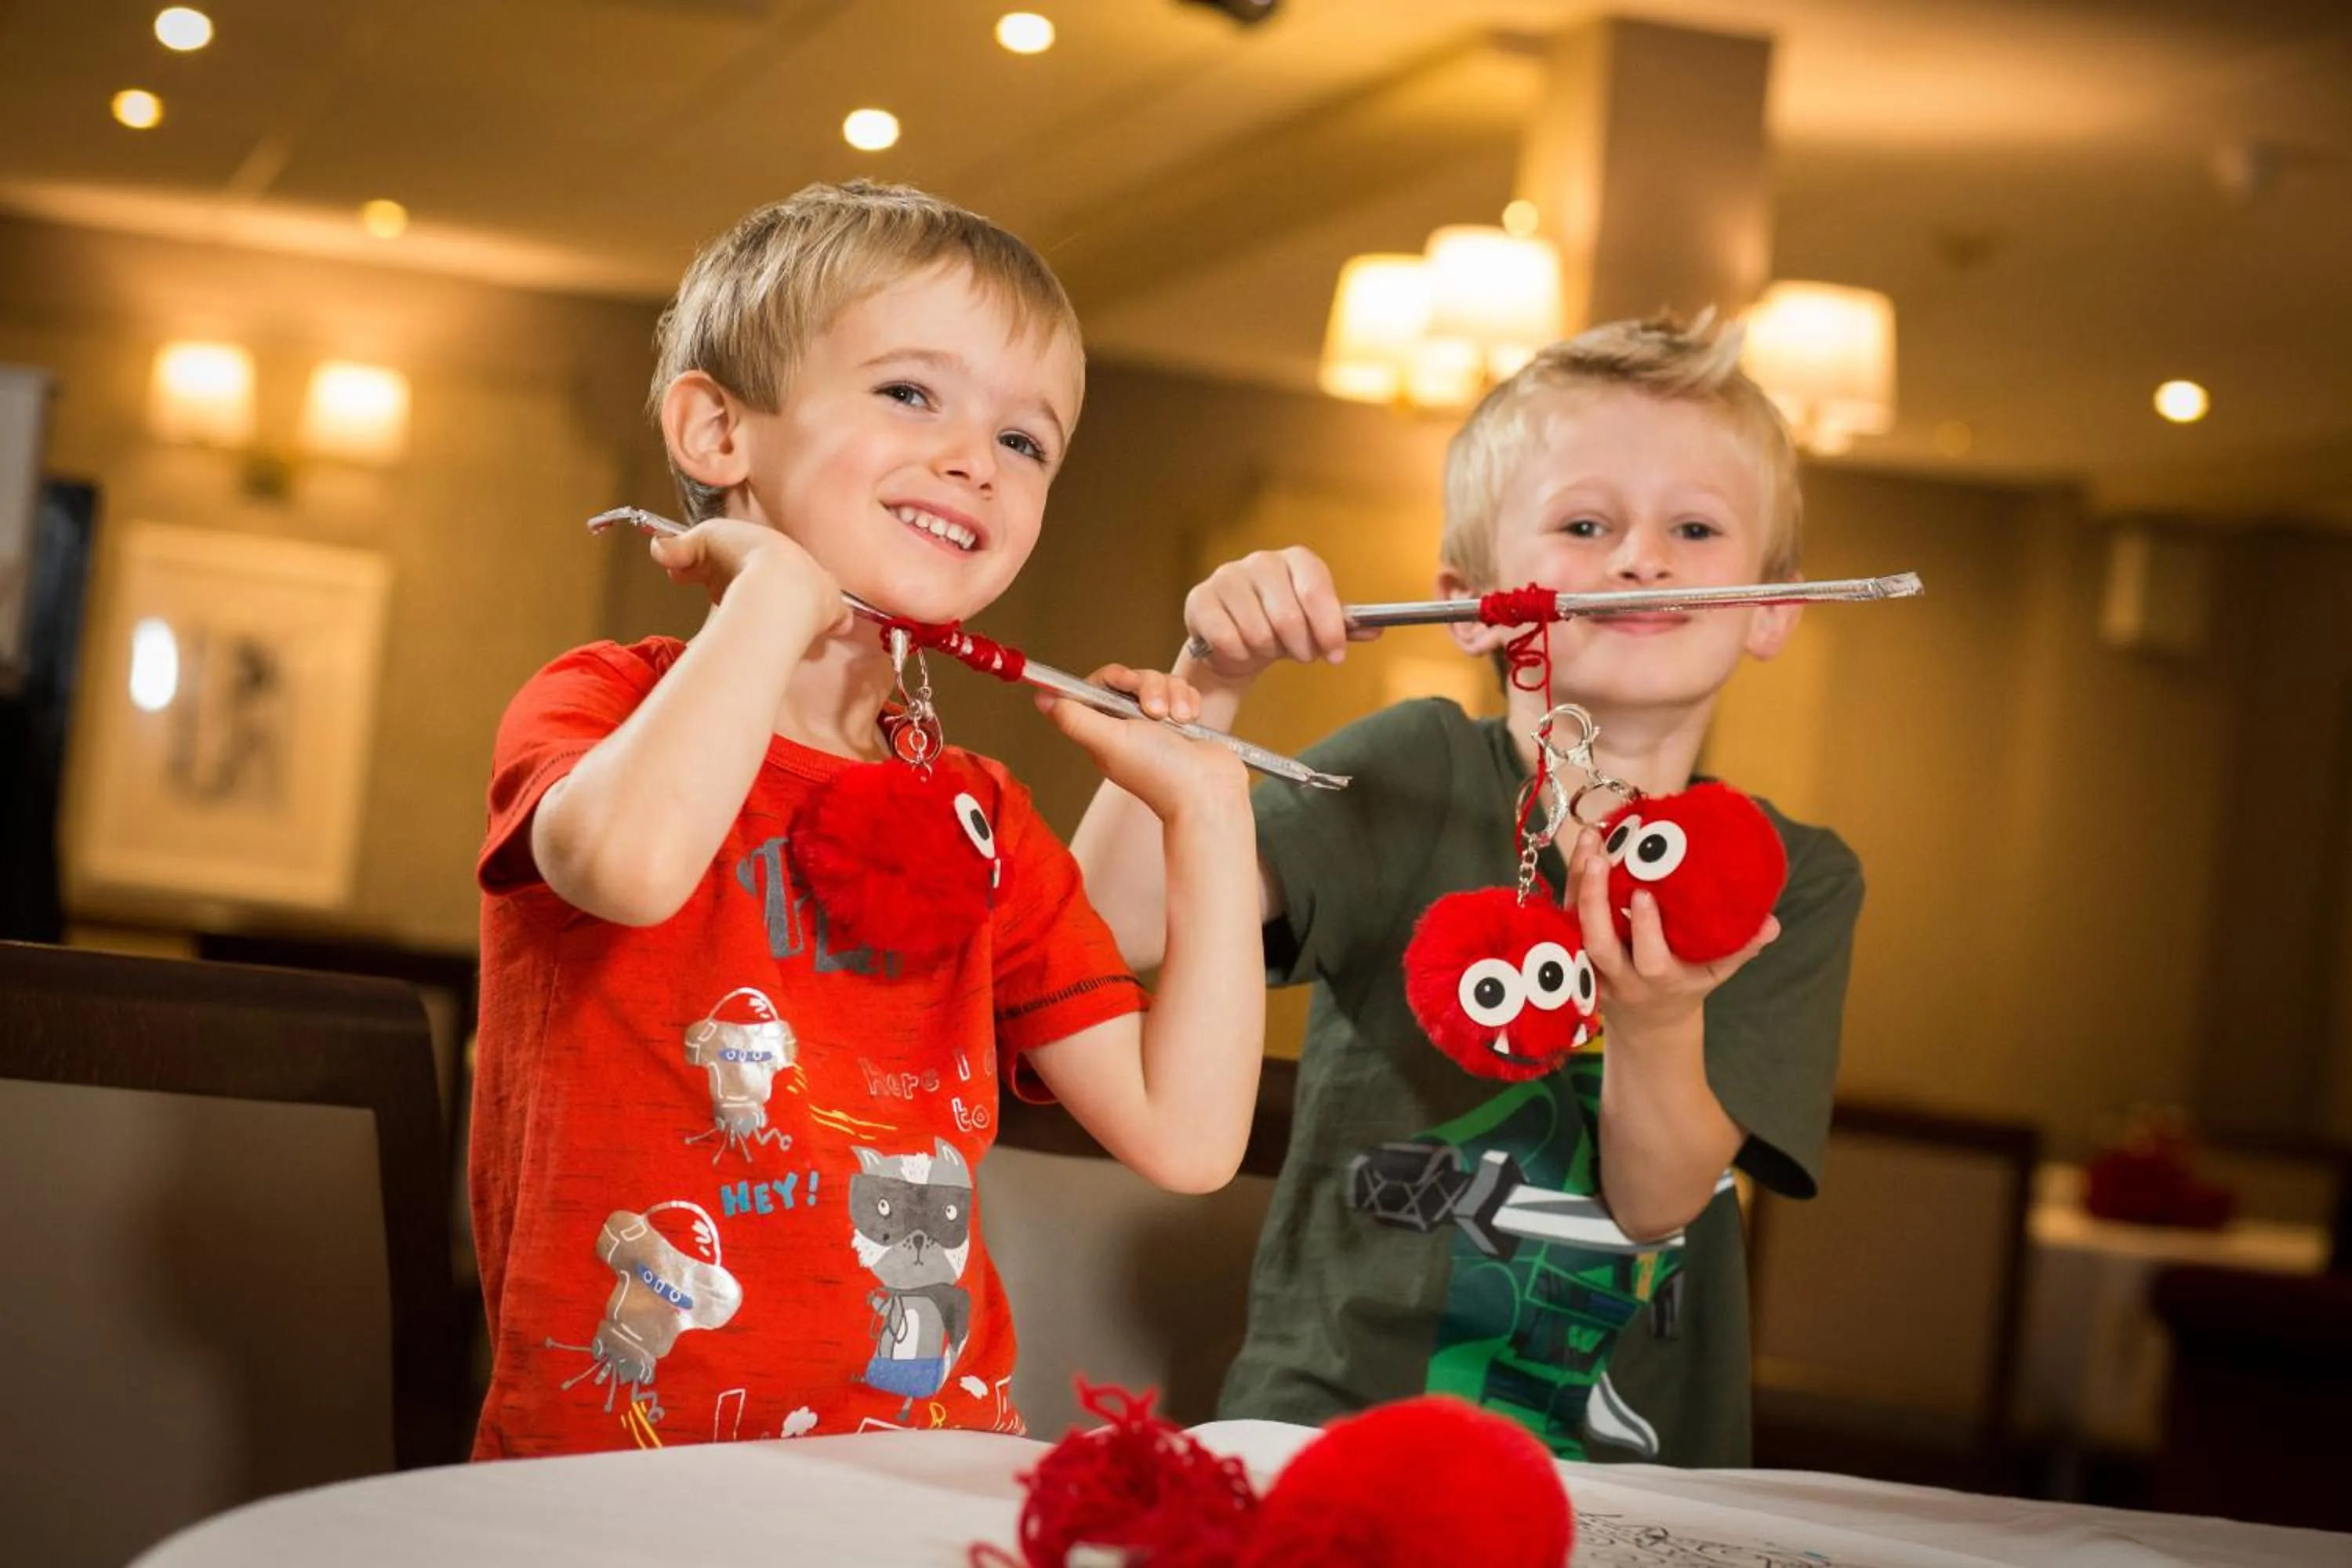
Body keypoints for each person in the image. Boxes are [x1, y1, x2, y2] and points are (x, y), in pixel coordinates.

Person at [468, 180, 1262, 1459]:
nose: (973, 459)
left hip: (922, 1466)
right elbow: (627, 867)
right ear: (719, 431)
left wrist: (1210, 808)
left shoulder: (981, 815)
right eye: (911, 394)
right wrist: (774, 596)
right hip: (615, 1468)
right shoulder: (602, 703)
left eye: (1027, 441)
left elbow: (1190, 1138)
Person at [1070, 315, 1865, 1465]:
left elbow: (1654, 1202)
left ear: (1778, 606)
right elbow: (1108, 927)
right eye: (1585, 525)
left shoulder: (1800, 877)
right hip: (1333, 1428)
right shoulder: (1416, 773)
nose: (1640, 558)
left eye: (1695, 528)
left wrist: (1654, 1014)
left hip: (1638, 1483)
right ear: (1470, 601)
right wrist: (1213, 680)